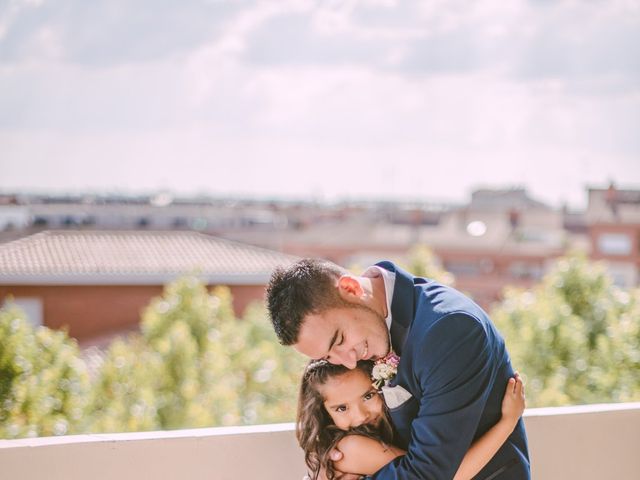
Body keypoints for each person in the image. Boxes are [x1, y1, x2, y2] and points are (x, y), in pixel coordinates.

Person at [267, 258, 530, 479]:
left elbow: (428, 475)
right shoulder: (368, 329)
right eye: (329, 356)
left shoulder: (450, 329)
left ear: (351, 288)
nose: (347, 361)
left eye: (340, 340)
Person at [297, 360, 525, 480]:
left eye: (368, 396)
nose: (360, 416)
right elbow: (446, 476)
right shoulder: (350, 448)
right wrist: (507, 422)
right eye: (341, 408)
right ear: (324, 412)